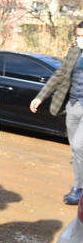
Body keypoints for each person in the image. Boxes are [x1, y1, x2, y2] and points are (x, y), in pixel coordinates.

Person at [30, 21, 83, 205]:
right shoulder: (74, 52)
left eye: (82, 36)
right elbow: (59, 74)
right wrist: (40, 97)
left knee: (78, 147)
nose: (79, 39)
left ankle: (77, 189)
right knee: (75, 151)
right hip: (73, 105)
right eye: (78, 35)